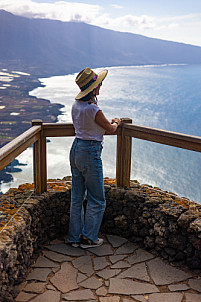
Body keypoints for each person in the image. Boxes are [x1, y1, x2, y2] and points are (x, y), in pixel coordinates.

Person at [68, 67, 121, 249]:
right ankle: (89, 238)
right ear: (94, 89)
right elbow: (110, 128)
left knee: (76, 197)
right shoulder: (93, 109)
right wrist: (117, 122)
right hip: (90, 152)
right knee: (97, 199)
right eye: (99, 84)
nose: (100, 87)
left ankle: (74, 238)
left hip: (76, 149)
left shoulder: (76, 106)